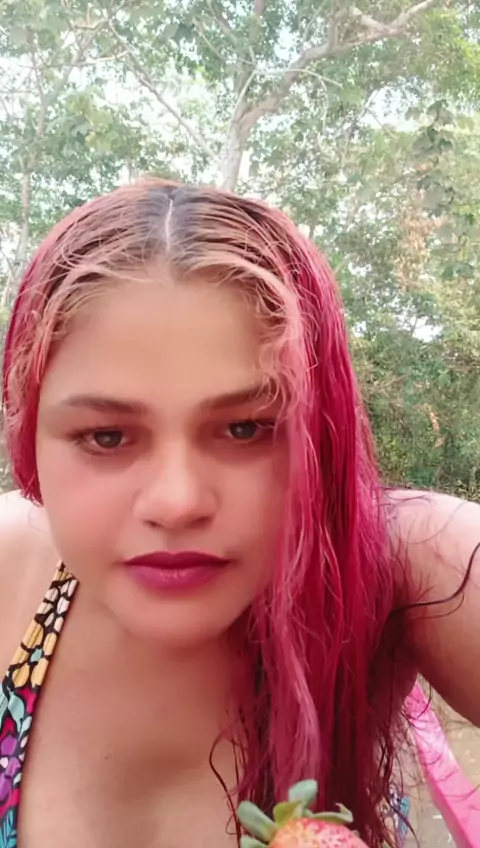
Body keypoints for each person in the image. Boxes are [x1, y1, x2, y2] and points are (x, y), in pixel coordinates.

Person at [0, 179, 478, 848]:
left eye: (247, 428)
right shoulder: (8, 570)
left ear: (323, 434)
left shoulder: (400, 560)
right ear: (30, 437)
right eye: (107, 436)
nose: (177, 502)